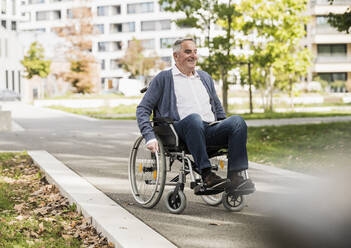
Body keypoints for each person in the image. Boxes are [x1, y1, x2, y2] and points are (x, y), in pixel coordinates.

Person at [136, 38, 255, 193]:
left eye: (195, 51)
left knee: (237, 121)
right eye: (187, 52)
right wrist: (149, 136)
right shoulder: (164, 78)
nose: (193, 56)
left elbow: (218, 108)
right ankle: (207, 175)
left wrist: (225, 127)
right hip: (179, 131)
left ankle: (235, 178)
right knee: (194, 119)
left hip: (208, 130)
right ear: (176, 56)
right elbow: (143, 109)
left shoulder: (205, 77)